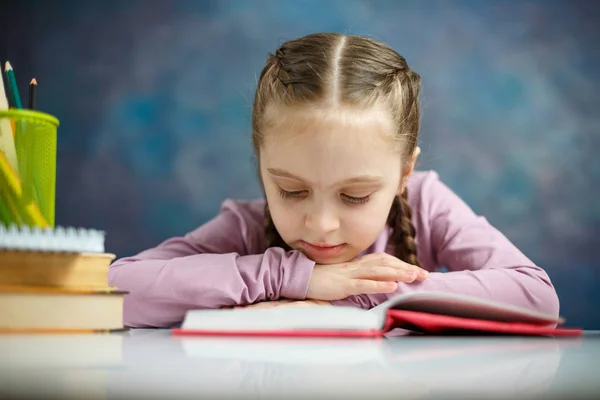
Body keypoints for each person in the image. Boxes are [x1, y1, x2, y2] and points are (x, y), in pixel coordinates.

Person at [108, 32, 559, 328]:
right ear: (261, 165)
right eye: (292, 190)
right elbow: (113, 289)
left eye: (355, 195)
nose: (321, 225)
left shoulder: (426, 203)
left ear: (404, 173)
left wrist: (357, 292)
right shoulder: (246, 228)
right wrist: (289, 277)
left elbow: (536, 296)